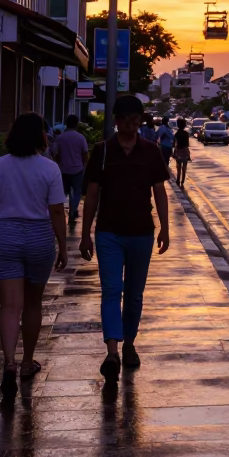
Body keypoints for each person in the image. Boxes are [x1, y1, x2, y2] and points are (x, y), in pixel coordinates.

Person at [0, 113, 68, 397]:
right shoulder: (50, 169)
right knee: (33, 303)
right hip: (39, 237)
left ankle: (9, 363)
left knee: (9, 305)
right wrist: (63, 245)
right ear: (41, 135)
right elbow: (55, 211)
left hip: (5, 235)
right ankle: (27, 362)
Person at [80, 95, 169, 382]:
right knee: (110, 290)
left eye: (136, 122)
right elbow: (92, 194)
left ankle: (129, 342)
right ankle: (112, 352)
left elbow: (160, 192)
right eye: (127, 122)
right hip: (108, 233)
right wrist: (85, 233)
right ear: (116, 122)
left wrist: (165, 228)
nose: (132, 128)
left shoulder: (151, 151)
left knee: (133, 295)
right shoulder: (102, 151)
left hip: (142, 232)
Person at [51, 114, 88, 224]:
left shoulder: (60, 138)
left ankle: (60, 212)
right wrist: (84, 165)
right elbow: (84, 154)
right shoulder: (81, 138)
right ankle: (73, 211)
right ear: (77, 124)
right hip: (77, 169)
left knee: (62, 192)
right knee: (77, 192)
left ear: (66, 124)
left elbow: (55, 153)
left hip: (63, 169)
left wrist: (59, 162)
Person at [173, 117, 191, 187]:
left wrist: (174, 152)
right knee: (184, 167)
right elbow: (187, 144)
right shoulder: (186, 134)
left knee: (178, 166)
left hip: (178, 150)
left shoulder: (176, 134)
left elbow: (174, 144)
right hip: (185, 150)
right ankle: (182, 181)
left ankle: (178, 179)